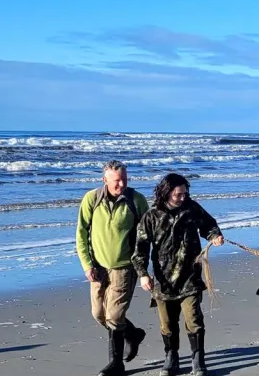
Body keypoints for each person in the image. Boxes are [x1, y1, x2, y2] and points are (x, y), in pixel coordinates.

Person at [132, 173, 224, 376]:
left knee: (193, 319)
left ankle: (198, 360)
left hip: (190, 276)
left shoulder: (191, 208)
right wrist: (143, 274)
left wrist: (215, 235)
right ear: (166, 193)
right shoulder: (152, 216)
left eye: (185, 193)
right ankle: (171, 357)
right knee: (167, 323)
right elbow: (140, 248)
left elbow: (208, 224)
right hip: (163, 280)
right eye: (178, 194)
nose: (183, 197)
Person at [75, 160, 150, 376]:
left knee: (115, 316)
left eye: (125, 179)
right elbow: (81, 234)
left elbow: (147, 235)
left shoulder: (136, 200)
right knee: (99, 314)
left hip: (125, 267)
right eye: (117, 180)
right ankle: (133, 334)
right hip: (98, 268)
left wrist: (143, 267)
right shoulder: (92, 199)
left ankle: (116, 364)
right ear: (105, 180)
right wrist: (87, 264)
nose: (121, 184)